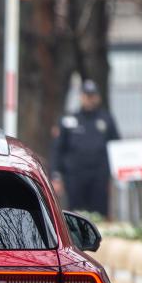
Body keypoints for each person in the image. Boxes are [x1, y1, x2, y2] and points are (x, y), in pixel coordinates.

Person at [51, 79, 120, 217]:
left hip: (99, 178)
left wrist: (116, 174)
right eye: (86, 95)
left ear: (98, 97)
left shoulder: (106, 119)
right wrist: (56, 175)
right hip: (75, 178)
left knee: (99, 216)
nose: (89, 99)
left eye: (92, 95)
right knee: (75, 215)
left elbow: (116, 147)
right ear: (81, 97)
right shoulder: (69, 120)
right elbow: (58, 149)